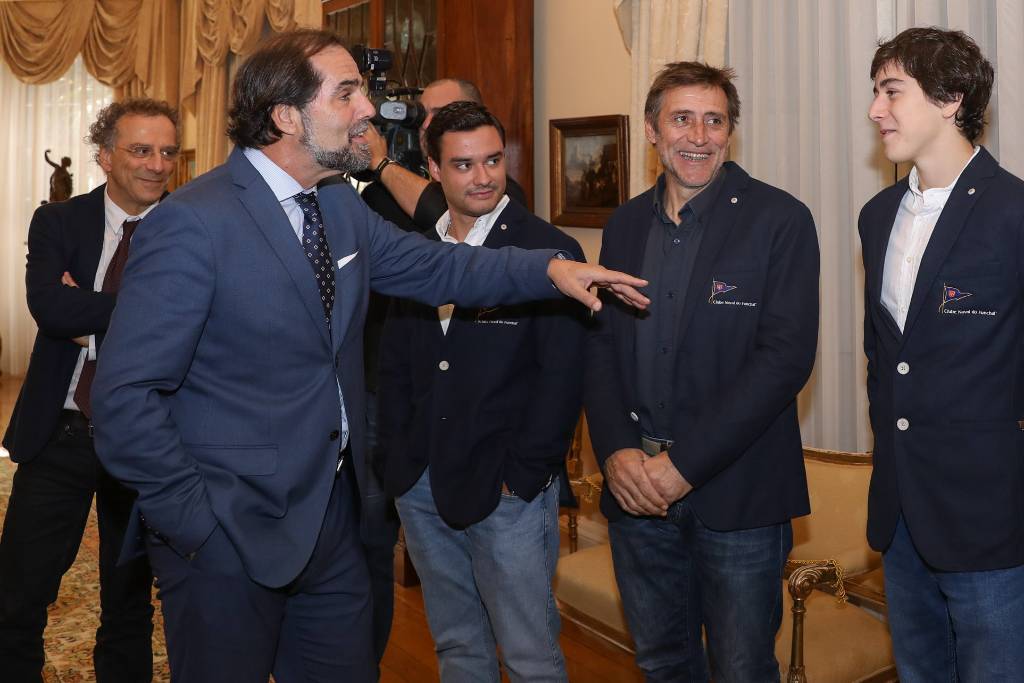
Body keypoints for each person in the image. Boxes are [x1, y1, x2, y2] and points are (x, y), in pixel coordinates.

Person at [88, 29, 647, 683]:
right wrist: (195, 523)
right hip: (228, 530)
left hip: (331, 522)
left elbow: (438, 267)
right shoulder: (192, 222)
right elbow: (124, 398)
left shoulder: (335, 203)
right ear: (286, 115)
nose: (369, 109)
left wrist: (549, 268)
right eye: (347, 93)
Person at [584, 61, 819, 682]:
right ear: (652, 131)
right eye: (682, 119)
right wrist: (615, 452)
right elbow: (601, 348)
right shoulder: (624, 225)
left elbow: (784, 360)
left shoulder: (780, 220)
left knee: (742, 669)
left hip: (738, 495)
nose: (698, 136)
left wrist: (682, 467)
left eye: (714, 121)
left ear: (730, 132)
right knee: (662, 663)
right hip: (637, 493)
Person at [376, 101, 585, 682]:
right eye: (464, 165)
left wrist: (524, 475)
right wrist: (397, 463)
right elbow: (394, 365)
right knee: (457, 645)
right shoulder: (415, 249)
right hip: (421, 483)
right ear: (433, 169)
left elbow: (563, 377)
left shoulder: (549, 251)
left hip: (507, 490)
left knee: (528, 654)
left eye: (493, 160)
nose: (484, 177)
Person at [860, 27, 1024, 680]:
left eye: (891, 91)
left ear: (951, 98)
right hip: (899, 513)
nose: (875, 109)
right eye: (876, 93)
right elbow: (883, 357)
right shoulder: (877, 216)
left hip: (989, 517)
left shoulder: (1015, 212)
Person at [0, 98, 180, 682]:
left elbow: (193, 325)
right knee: (17, 594)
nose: (157, 164)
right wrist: (140, 318)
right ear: (104, 156)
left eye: (168, 152)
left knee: (128, 605)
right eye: (140, 150)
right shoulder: (57, 221)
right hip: (60, 435)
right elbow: (50, 308)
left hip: (148, 440)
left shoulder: (193, 227)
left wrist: (90, 318)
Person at [363, 77, 528, 230]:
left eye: (441, 114)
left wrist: (381, 164)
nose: (426, 125)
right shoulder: (381, 195)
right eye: (422, 115)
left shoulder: (499, 192)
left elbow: (450, 217)